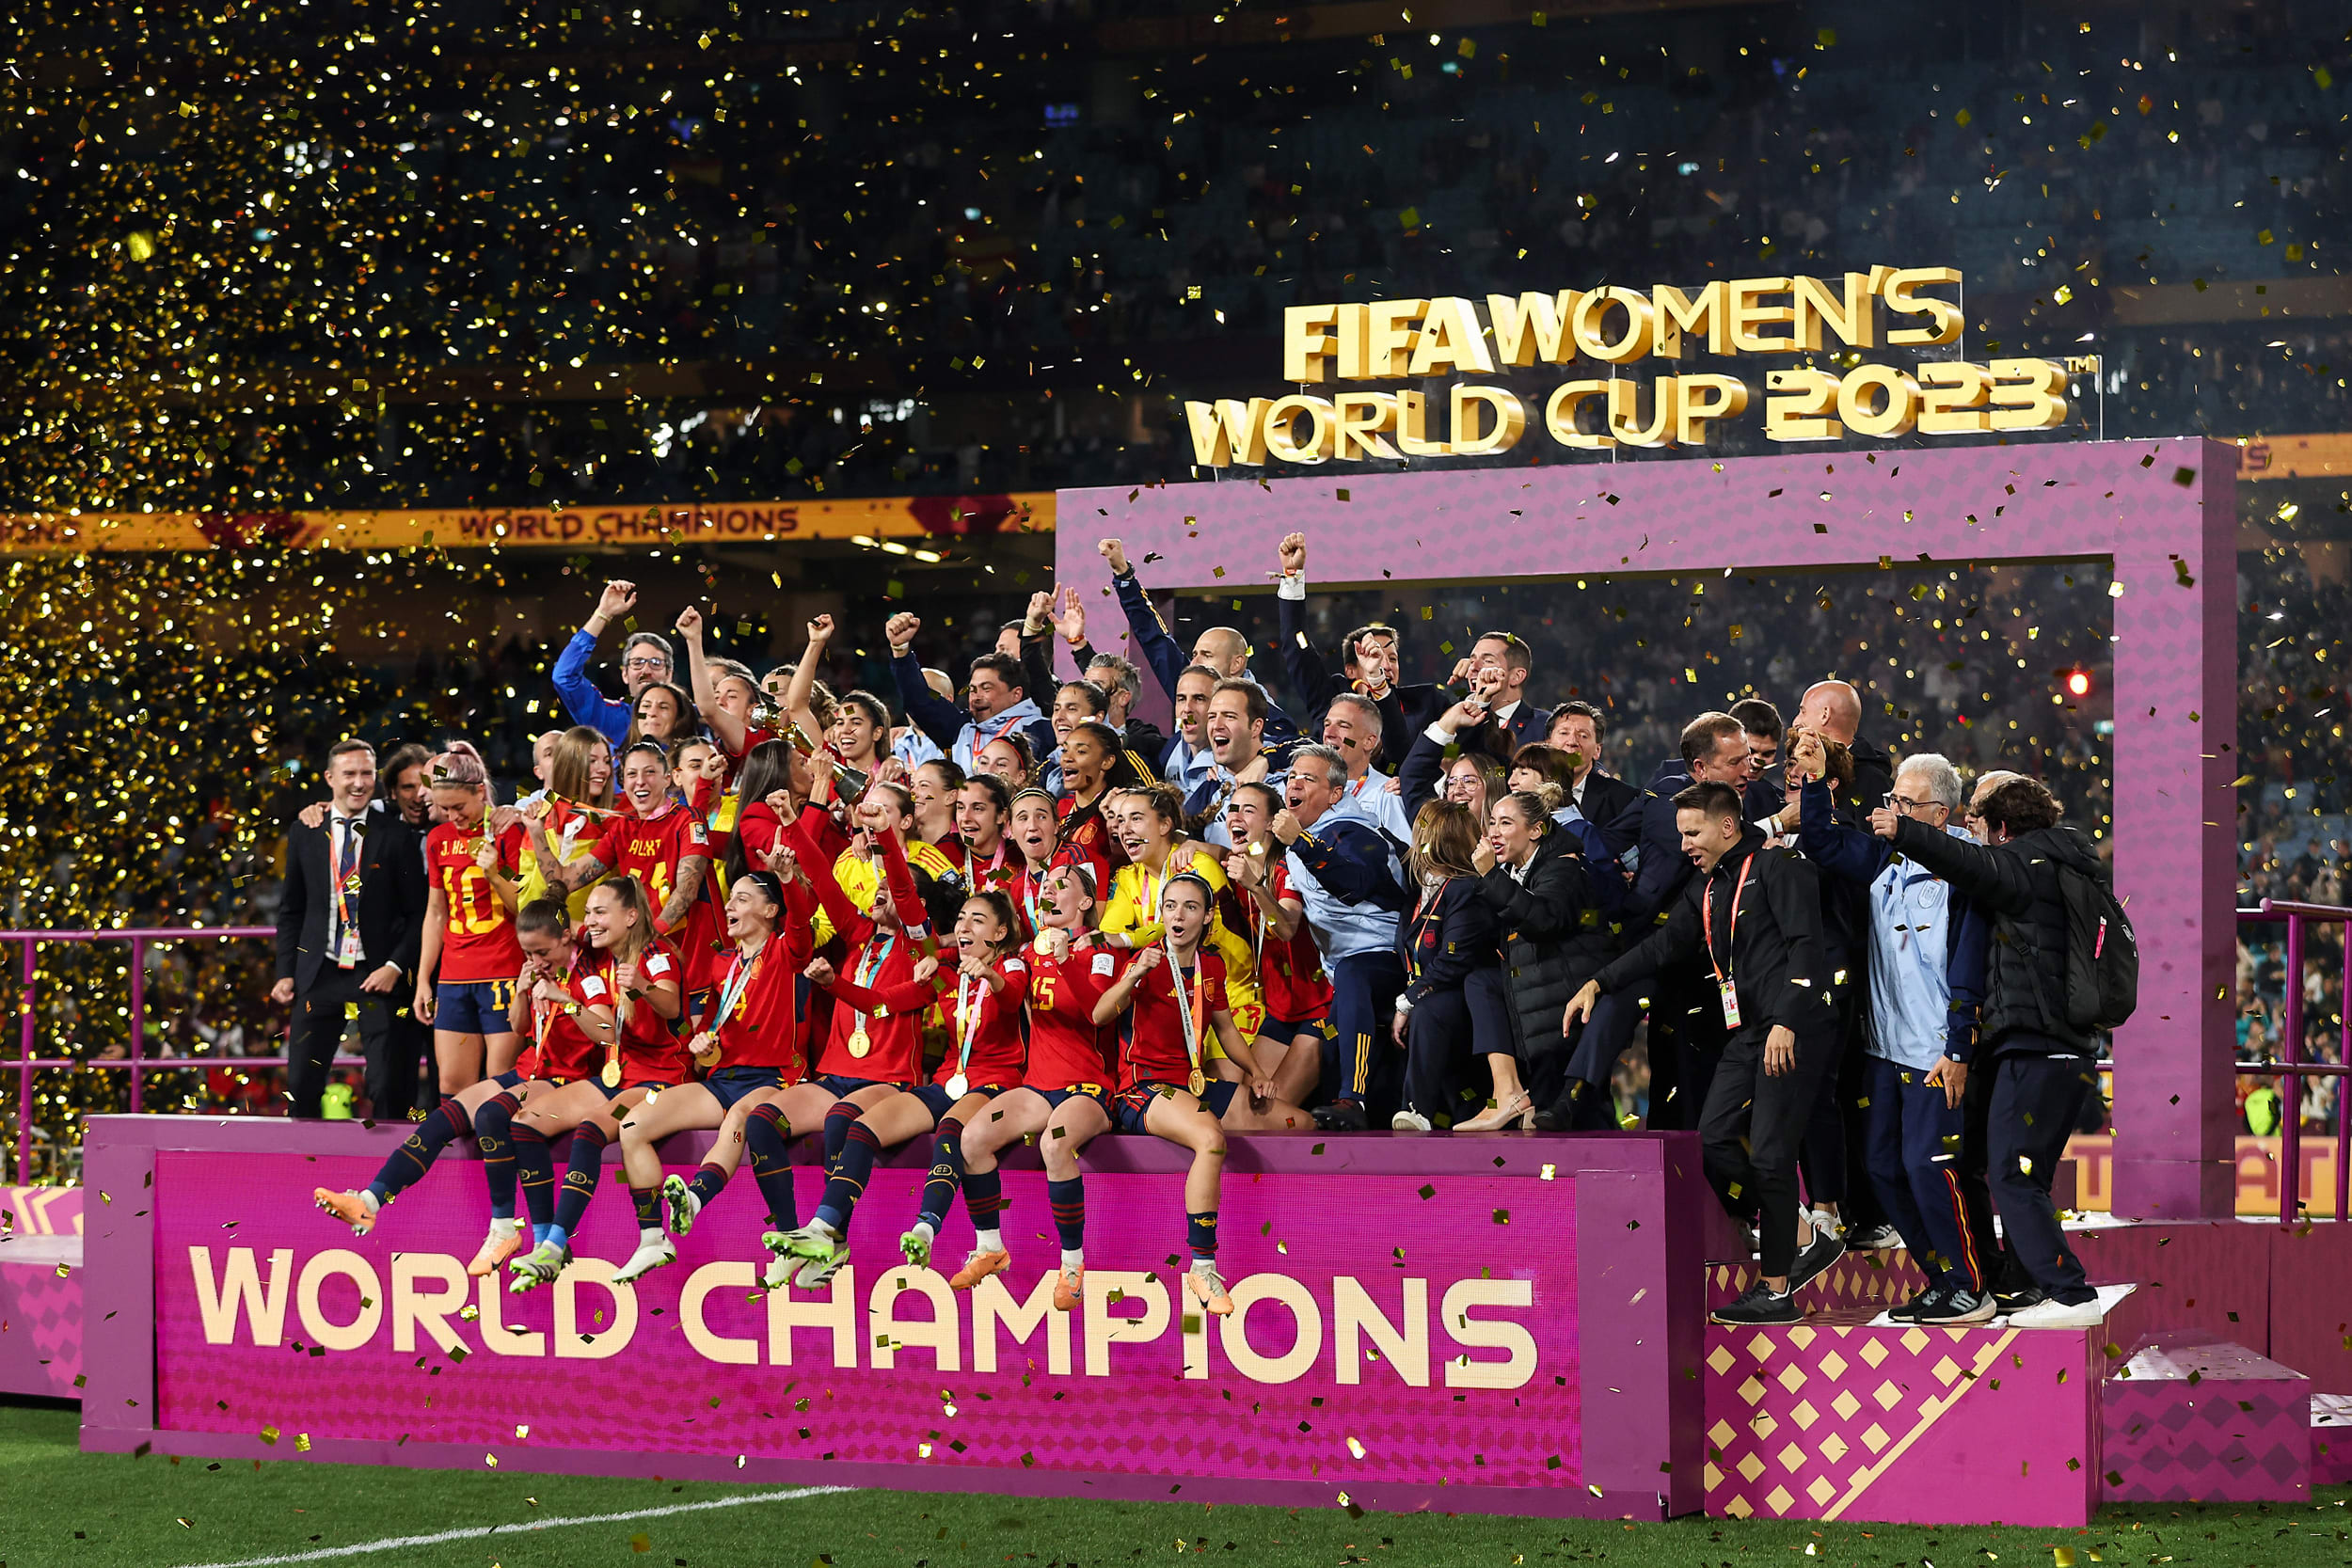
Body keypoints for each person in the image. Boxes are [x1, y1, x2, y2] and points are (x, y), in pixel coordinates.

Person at [1565, 780, 1842, 1326]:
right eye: (1681, 834)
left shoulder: (1780, 868)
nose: (1685, 844)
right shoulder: (1709, 885)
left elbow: (1808, 946)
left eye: (1692, 833)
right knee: (1713, 1136)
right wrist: (1600, 981)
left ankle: (1777, 1288)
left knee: (1768, 1156)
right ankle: (1804, 1228)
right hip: (1746, 1033)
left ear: (1728, 825)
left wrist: (1788, 1019)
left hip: (1792, 1029)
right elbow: (1665, 945)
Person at [1874, 774, 2111, 1329]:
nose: (1971, 832)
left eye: (1978, 822)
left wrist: (1905, 828)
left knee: (2012, 1174)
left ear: (2002, 828)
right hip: (2058, 1049)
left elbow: (1970, 865)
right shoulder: (2064, 863)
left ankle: (2071, 1295)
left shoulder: (2025, 866)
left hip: (2037, 1047)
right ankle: (2016, 1282)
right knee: (1991, 1165)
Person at [1796, 741, 1993, 1324]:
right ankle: (1938, 1279)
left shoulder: (1966, 870)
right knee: (1881, 1167)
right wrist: (1813, 781)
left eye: (1906, 803)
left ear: (1941, 814)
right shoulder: (1888, 860)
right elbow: (1824, 842)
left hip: (1937, 1053)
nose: (1891, 812)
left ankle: (1971, 1284)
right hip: (1885, 1052)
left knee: (1929, 1167)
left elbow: (1969, 968)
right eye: (1891, 800)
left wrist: (1959, 1048)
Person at [311, 897, 582, 1277]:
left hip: (566, 1076)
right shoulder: (538, 970)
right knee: (443, 1119)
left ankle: (506, 1229)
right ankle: (369, 1201)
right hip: (530, 1068)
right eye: (528, 952)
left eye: (542, 951)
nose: (536, 959)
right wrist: (523, 990)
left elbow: (603, 1032)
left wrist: (563, 998)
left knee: (490, 1116)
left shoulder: (588, 971)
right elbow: (521, 1029)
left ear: (566, 938)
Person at [771, 890, 1030, 1284]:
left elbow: (1011, 1000)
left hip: (996, 1082)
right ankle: (825, 1230)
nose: (964, 926)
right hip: (948, 1080)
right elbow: (879, 1004)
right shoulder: (946, 977)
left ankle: (925, 1228)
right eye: (961, 917)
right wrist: (832, 984)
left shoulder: (1013, 964)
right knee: (861, 1129)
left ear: (1000, 931)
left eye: (977, 919)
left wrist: (988, 974)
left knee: (950, 1130)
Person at [604, 861, 820, 1283]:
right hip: (722, 1078)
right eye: (730, 899)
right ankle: (652, 1239)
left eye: (743, 898)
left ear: (771, 911)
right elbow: (692, 1027)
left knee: (741, 1117)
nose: (731, 906)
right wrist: (700, 1042)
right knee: (631, 1126)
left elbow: (801, 921)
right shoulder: (722, 963)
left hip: (776, 1078)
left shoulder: (786, 952)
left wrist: (790, 877)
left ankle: (697, 1198)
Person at [1087, 873, 1278, 1316]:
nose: (1178, 914)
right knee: (1211, 1140)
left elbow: (1226, 1029)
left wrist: (1255, 1073)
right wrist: (1134, 974)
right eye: (1171, 905)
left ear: (1207, 916)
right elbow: (1099, 1016)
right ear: (1161, 913)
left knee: (1295, 1121)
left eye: (1190, 907)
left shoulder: (1211, 966)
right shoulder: (1144, 960)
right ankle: (1202, 1263)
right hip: (1141, 1089)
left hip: (1192, 1083)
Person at [505, 876, 690, 1290]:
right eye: (588, 912)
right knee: (526, 1122)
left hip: (656, 1079)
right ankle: (540, 1237)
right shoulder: (597, 959)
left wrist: (641, 987)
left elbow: (672, 1004)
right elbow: (606, 1032)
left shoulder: (656, 954)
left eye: (599, 912)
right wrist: (565, 1000)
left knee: (590, 1132)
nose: (590, 921)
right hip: (614, 1073)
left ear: (631, 916)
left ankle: (557, 1243)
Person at [942, 862, 1116, 1292]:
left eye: (1062, 885)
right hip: (1037, 1087)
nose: (1049, 891)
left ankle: (1072, 1264)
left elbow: (1094, 1011)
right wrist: (993, 977)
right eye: (1045, 884)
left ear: (1086, 902)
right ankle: (990, 1247)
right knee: (972, 1138)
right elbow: (1013, 994)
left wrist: (1066, 960)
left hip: (1088, 1088)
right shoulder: (1025, 957)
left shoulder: (1103, 954)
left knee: (1054, 1144)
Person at [272, 739, 428, 1119]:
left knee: (387, 1085)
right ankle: (303, 1170)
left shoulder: (396, 835)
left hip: (376, 970)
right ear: (330, 778)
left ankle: (388, 1173)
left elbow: (418, 913)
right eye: (349, 774)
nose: (358, 783)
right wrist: (286, 973)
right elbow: (291, 909)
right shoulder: (305, 830)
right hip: (320, 969)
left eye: (366, 774)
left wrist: (394, 966)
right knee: (302, 1084)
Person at [1271, 745, 1411, 1129]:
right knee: (1333, 1031)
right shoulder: (1301, 839)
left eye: (1308, 778)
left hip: (1388, 957)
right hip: (1340, 971)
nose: (1294, 784)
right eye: (1291, 778)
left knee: (1352, 974)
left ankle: (1354, 1100)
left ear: (1336, 794)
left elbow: (1354, 882)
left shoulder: (1357, 829)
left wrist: (1300, 843)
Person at [528, 740, 722, 1018]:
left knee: (696, 1054)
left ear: (668, 778)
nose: (640, 782)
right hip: (645, 966)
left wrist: (646, 940)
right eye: (631, 774)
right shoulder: (624, 828)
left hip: (695, 964)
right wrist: (536, 832)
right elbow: (562, 880)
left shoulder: (688, 819)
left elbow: (686, 892)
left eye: (650, 772)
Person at [1473, 787, 1611, 1129]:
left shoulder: (1563, 869)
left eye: (1506, 823)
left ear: (1535, 830)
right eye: (1492, 823)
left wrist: (1490, 877)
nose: (1494, 832)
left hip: (1565, 1010)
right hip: (1538, 1010)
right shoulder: (1514, 872)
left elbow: (1542, 921)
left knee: (1584, 1124)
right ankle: (1505, 1091)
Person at [1094, 536, 1296, 745]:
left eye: (1207, 655)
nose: (1194, 663)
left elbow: (1294, 750)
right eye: (1194, 655)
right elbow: (1153, 637)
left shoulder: (1267, 719)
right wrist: (1123, 575)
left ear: (1236, 664)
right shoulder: (1189, 684)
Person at [412, 743, 527, 1095]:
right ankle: (463, 1153)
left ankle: (502, 1151)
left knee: (500, 1079)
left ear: (480, 791)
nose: (453, 817)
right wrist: (423, 980)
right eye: (444, 808)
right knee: (451, 1083)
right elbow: (436, 912)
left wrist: (494, 874)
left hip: (503, 970)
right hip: (454, 976)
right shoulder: (437, 839)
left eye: (459, 807)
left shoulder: (509, 830)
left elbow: (524, 908)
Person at [1272, 531, 1446, 760]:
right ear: (1350, 670)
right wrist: (1292, 575)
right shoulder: (1330, 698)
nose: (1384, 665)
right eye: (1373, 656)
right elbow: (1297, 647)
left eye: (1392, 658)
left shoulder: (1425, 702)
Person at [1392, 800, 1508, 1132]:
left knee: (1429, 1011)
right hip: (1431, 994)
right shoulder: (1418, 889)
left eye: (1422, 832)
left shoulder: (1465, 890)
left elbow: (1454, 960)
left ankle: (1417, 1110)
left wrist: (1409, 999)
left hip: (1465, 998)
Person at [1220, 784, 1336, 1113]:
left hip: (1321, 1008)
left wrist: (1255, 887)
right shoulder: (1236, 868)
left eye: (1248, 810)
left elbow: (1286, 928)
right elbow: (1214, 854)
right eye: (1232, 809)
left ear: (1271, 823)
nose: (1235, 817)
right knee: (1245, 1107)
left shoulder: (1288, 869)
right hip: (1279, 1010)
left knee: (1275, 1110)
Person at [885, 610, 1057, 772]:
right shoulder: (960, 727)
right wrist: (900, 648)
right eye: (973, 689)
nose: (976, 697)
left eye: (986, 688)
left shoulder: (1041, 728)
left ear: (1016, 694)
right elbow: (918, 699)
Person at [555, 581, 676, 747]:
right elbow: (564, 677)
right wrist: (603, 613)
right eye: (637, 663)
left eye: (655, 663)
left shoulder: (690, 714)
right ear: (625, 674)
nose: (646, 670)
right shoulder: (610, 717)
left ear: (669, 674)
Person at [674, 605, 774, 782]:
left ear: (752, 708)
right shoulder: (712, 747)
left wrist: (694, 640)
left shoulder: (759, 742)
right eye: (716, 694)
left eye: (732, 696)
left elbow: (708, 708)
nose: (720, 701)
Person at [1547, 701, 1639, 825]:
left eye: (1583, 736)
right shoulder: (1524, 790)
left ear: (1597, 750)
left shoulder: (1624, 800)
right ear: (1547, 744)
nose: (1572, 741)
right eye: (1564, 733)